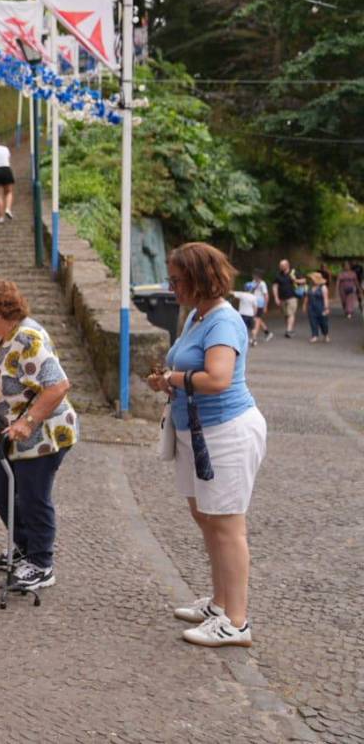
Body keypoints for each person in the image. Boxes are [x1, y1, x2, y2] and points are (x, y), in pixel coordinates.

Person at [147, 242, 267, 649]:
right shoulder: (196, 317)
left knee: (228, 525)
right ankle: (219, 604)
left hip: (226, 432)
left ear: (198, 279)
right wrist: (168, 376)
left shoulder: (223, 321)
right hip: (198, 432)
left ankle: (236, 622)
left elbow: (218, 378)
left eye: (177, 279)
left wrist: (174, 380)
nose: (172, 286)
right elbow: (189, 367)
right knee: (205, 516)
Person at [0, 279, 76, 590]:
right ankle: (26, 547)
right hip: (18, 437)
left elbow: (58, 385)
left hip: (43, 436)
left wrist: (28, 421)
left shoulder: (27, 337)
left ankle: (41, 564)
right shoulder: (12, 335)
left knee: (33, 496)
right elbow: (21, 376)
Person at [271, 259, 303, 338]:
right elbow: (275, 286)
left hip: (292, 297)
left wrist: (295, 280)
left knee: (290, 313)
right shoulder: (278, 275)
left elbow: (303, 280)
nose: (281, 267)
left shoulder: (294, 272)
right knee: (286, 314)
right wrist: (276, 298)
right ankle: (290, 329)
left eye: (282, 265)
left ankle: (288, 330)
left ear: (287, 265)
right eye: (280, 265)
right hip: (282, 298)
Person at [244, 270, 273, 343]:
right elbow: (251, 291)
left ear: (259, 276)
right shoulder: (253, 282)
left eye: (255, 275)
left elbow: (266, 295)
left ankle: (254, 338)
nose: (253, 276)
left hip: (260, 304)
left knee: (256, 319)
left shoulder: (263, 284)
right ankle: (267, 332)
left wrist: (265, 306)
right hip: (254, 303)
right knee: (258, 319)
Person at [306, 271, 331, 343]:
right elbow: (307, 296)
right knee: (313, 321)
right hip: (311, 307)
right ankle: (314, 335)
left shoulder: (323, 287)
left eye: (312, 278)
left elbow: (326, 298)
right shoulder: (310, 287)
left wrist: (326, 308)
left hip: (321, 306)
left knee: (323, 322)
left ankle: (326, 334)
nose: (311, 280)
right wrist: (305, 305)